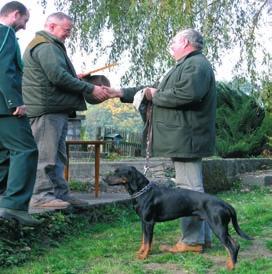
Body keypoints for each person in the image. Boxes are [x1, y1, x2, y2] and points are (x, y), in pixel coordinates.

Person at [104, 29, 216, 252]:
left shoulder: (196, 65)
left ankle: (192, 241)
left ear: (185, 42)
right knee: (191, 189)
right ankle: (200, 238)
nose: (171, 45)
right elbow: (154, 89)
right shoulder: (186, 64)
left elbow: (188, 95)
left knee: (190, 189)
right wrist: (119, 92)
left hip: (188, 137)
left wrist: (154, 95)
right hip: (184, 137)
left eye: (173, 41)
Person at [22, 12, 109, 209]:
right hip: (47, 110)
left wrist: (75, 77)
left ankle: (60, 193)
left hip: (55, 109)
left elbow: (55, 74)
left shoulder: (48, 45)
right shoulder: (46, 46)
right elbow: (58, 77)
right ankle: (41, 196)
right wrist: (89, 88)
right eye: (66, 30)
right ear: (52, 26)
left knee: (58, 156)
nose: (68, 34)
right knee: (46, 156)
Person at [0, 1, 40, 226]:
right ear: (16, 14)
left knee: (4, 154)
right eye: (25, 20)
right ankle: (14, 206)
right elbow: (4, 68)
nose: (24, 26)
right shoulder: (5, 33)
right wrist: (15, 101)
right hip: (5, 106)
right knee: (25, 150)